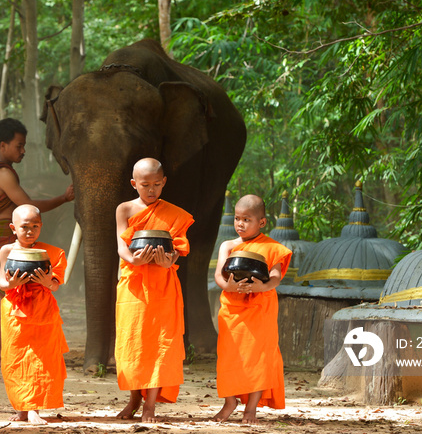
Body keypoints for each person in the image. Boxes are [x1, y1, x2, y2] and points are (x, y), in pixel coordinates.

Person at [0, 117, 74, 366]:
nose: (23, 150)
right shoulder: (4, 173)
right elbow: (29, 206)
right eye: (19, 145)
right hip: (5, 235)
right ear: (3, 145)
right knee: (2, 294)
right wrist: (63, 198)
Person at [114, 157, 194, 423]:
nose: (151, 190)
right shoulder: (124, 209)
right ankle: (134, 398)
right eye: (145, 184)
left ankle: (150, 405)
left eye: (156, 185)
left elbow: (176, 252)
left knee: (160, 345)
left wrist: (167, 261)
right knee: (133, 344)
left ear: (164, 183)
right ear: (133, 183)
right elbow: (121, 246)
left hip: (162, 285)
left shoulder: (174, 213)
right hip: (134, 286)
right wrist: (134, 260)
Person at [212, 194, 292, 424]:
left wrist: (262, 286)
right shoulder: (227, 246)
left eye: (247, 219)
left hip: (261, 307)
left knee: (259, 358)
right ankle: (230, 402)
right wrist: (230, 286)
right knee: (229, 357)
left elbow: (276, 277)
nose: (240, 224)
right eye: (237, 218)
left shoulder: (272, 247)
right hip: (232, 307)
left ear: (262, 222)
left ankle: (251, 409)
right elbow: (219, 275)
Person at [0, 204, 68, 425]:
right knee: (16, 358)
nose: (30, 231)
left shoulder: (52, 252)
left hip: (42, 309)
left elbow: (55, 285)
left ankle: (34, 408)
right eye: (24, 226)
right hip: (15, 310)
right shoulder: (6, 251)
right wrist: (12, 284)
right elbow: (1, 283)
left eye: (35, 226)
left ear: (41, 226)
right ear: (13, 227)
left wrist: (47, 282)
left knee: (40, 358)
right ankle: (22, 407)